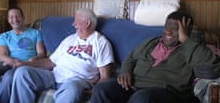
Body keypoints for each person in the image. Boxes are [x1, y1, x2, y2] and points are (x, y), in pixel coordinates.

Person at [90, 11, 220, 103]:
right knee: (102, 89)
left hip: (164, 92)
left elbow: (213, 68)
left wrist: (186, 40)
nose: (168, 31)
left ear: (185, 31)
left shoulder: (192, 49)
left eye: (175, 29)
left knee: (142, 99)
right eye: (166, 27)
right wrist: (125, 71)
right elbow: (131, 57)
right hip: (132, 85)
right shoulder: (151, 42)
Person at [9, 8, 114, 103]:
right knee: (23, 72)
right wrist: (25, 64)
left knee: (72, 88)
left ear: (87, 23)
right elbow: (51, 62)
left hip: (77, 81)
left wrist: (95, 92)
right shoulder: (70, 39)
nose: (73, 24)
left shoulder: (101, 42)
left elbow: (105, 76)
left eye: (76, 21)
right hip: (54, 76)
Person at [0, 6, 46, 103]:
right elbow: (2, 56)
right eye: (11, 17)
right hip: (8, 63)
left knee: (9, 78)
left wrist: (32, 60)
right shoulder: (3, 36)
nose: (14, 19)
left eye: (17, 16)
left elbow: (41, 53)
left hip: (27, 65)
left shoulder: (35, 33)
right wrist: (15, 62)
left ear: (23, 18)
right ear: (8, 20)